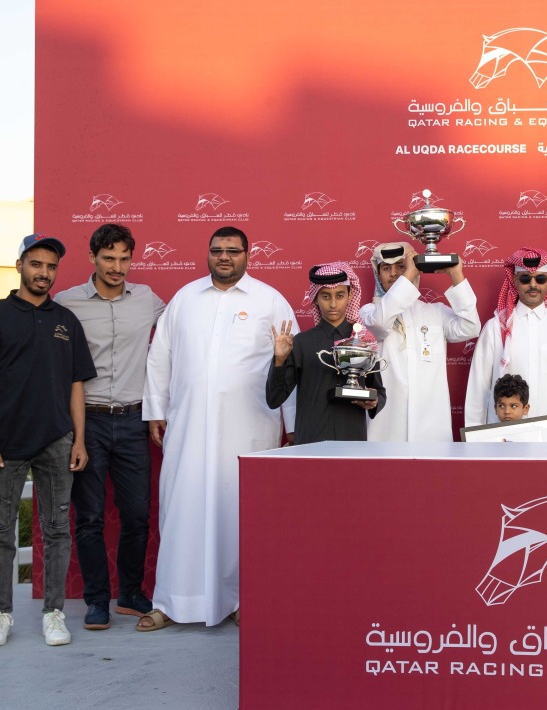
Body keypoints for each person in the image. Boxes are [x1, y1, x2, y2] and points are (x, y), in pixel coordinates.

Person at [140, 226, 297, 631]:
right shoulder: (185, 299)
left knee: (239, 510)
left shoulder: (270, 301)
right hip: (188, 426)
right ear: (207, 254)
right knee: (182, 509)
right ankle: (170, 602)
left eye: (232, 251)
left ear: (248, 254)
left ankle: (239, 600)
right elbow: (161, 357)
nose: (224, 257)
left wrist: (293, 425)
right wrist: (156, 409)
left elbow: (290, 366)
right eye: (217, 251)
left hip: (248, 429)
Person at [0, 234, 96, 647]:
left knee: (58, 529)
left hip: (56, 441)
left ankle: (54, 613)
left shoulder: (66, 320)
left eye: (51, 266)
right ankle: (0, 615)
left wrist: (78, 439)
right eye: (36, 264)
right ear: (20, 264)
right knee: (1, 531)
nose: (44, 273)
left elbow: (77, 384)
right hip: (4, 442)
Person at [53, 223, 166, 631]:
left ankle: (131, 594)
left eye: (124, 259)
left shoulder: (149, 300)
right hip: (89, 422)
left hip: (135, 421)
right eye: (108, 258)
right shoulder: (67, 303)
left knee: (137, 515)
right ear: (92, 258)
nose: (117, 267)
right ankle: (97, 600)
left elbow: (180, 335)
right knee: (89, 518)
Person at [464, 247, 547, 441]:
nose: (533, 285)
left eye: (540, 279)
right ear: (514, 281)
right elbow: (478, 389)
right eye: (525, 279)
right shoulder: (495, 328)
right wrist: (475, 441)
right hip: (502, 441)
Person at [359, 242, 479, 441]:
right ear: (377, 274)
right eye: (386, 268)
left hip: (431, 426)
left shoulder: (435, 312)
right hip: (387, 425)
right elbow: (380, 324)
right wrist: (409, 273)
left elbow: (470, 327)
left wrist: (456, 275)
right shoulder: (369, 312)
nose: (393, 273)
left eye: (401, 266)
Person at [267, 262, 384, 442]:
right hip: (310, 441)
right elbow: (274, 399)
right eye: (326, 296)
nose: (333, 304)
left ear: (350, 295)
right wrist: (279, 360)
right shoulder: (301, 342)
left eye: (339, 295)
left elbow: (379, 392)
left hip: (352, 441)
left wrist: (373, 401)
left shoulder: (363, 339)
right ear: (315, 298)